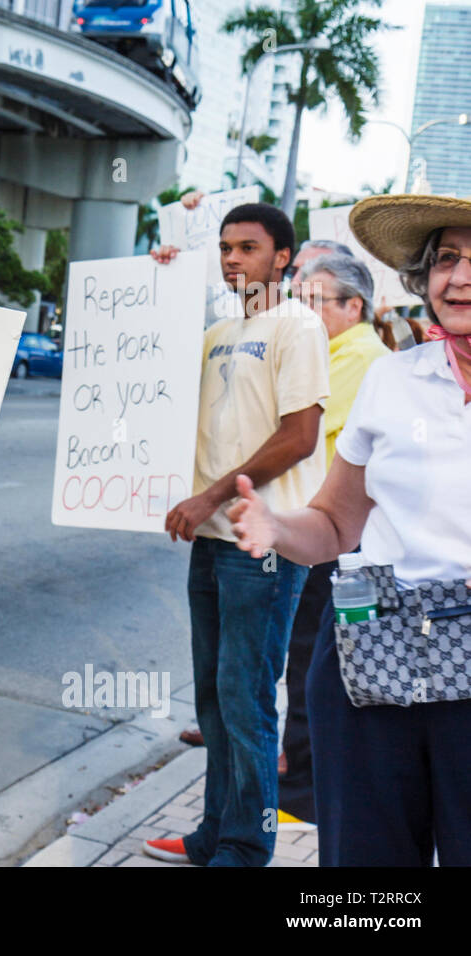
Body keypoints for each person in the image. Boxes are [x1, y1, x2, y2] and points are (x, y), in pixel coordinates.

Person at [227, 194, 471, 866]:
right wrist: (275, 526)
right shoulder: (393, 380)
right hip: (373, 664)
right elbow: (335, 524)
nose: (460, 276)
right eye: (447, 258)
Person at [142, 203, 330, 866]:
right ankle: (215, 831)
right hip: (214, 542)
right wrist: (161, 280)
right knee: (216, 699)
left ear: (281, 257)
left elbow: (300, 437)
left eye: (247, 247)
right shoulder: (219, 330)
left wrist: (213, 494)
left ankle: (246, 848)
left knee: (247, 700)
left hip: (263, 545)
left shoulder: (298, 324)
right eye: (224, 247)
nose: (231, 259)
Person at [275, 254, 390, 830]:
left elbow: (294, 432)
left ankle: (299, 796)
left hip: (336, 542)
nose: (305, 313)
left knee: (312, 665)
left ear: (355, 306)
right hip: (332, 536)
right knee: (315, 664)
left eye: (316, 302)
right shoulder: (341, 353)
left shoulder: (360, 358)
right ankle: (303, 784)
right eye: (299, 301)